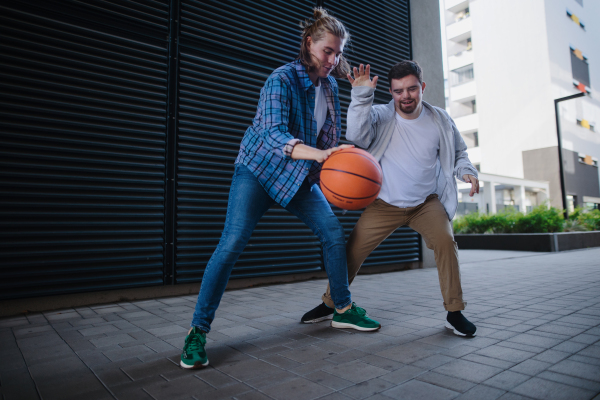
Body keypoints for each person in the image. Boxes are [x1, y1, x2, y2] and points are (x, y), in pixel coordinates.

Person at [180, 8, 381, 370]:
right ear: (309, 44)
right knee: (231, 243)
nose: (333, 60)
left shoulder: (331, 86)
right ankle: (197, 331)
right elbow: (274, 135)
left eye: (337, 53)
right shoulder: (281, 79)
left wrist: (360, 98)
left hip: (298, 176)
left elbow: (332, 145)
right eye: (327, 51)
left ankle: (343, 309)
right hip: (257, 170)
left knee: (332, 232)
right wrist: (320, 154)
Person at [301, 60, 480, 337]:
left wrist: (466, 172)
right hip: (384, 204)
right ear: (390, 91)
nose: (405, 96)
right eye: (398, 91)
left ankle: (454, 312)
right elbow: (357, 135)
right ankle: (332, 302)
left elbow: (459, 153)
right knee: (351, 251)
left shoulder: (441, 119)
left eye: (411, 89)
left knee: (446, 242)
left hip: (425, 204)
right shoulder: (380, 116)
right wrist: (361, 96)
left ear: (422, 87)